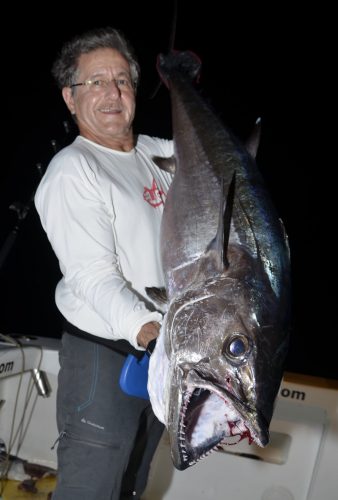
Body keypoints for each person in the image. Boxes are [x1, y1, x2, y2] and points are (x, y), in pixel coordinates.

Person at [34, 26, 173, 500]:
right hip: (106, 353)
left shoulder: (159, 154)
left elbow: (227, 168)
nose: (112, 93)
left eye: (122, 80)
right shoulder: (75, 170)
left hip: (160, 356)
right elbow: (92, 276)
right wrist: (150, 329)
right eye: (95, 82)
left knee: (133, 484)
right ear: (70, 99)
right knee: (91, 488)